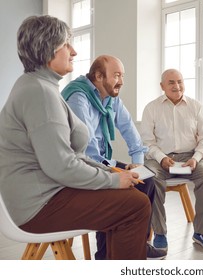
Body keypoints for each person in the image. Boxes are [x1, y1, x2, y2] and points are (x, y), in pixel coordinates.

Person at [0, 15, 150, 260]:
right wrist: (112, 181)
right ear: (48, 48)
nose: (74, 51)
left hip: (42, 194)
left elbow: (72, 156)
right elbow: (61, 165)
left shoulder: (40, 86)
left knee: (132, 195)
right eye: (66, 44)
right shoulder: (40, 93)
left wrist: (114, 174)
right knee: (135, 205)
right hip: (38, 205)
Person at [61, 55, 166, 260]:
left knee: (146, 180)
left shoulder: (110, 98)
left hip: (100, 161)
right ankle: (104, 255)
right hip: (80, 165)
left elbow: (130, 131)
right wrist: (116, 171)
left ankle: (139, 245)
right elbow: (86, 151)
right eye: (117, 75)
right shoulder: (78, 98)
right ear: (99, 76)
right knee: (118, 191)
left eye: (122, 75)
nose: (122, 81)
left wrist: (137, 164)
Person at [140, 69, 203, 251]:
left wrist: (196, 158)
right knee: (151, 178)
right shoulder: (151, 108)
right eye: (171, 83)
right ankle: (160, 233)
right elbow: (147, 142)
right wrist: (161, 158)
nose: (177, 86)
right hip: (159, 157)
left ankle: (202, 233)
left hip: (190, 157)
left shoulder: (196, 106)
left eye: (180, 81)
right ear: (162, 86)